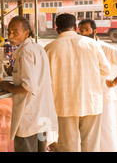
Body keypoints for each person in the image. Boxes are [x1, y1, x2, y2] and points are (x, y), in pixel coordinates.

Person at [44, 13, 110, 152]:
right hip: (91, 101)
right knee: (91, 145)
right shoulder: (92, 44)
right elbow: (106, 70)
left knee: (67, 146)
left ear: (57, 29)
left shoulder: (49, 49)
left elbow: (46, 80)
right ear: (75, 26)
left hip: (64, 104)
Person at [0, 16, 57, 152]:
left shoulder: (25, 52)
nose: (11, 36)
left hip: (29, 118)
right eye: (9, 32)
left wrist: (8, 87)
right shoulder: (37, 48)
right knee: (40, 149)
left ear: (26, 33)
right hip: (41, 116)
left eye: (15, 32)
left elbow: (28, 87)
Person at [78, 18, 117, 152]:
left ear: (95, 31)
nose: (84, 33)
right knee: (88, 135)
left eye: (87, 30)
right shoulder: (80, 48)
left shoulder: (107, 49)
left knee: (106, 133)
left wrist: (114, 81)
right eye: (81, 30)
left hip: (104, 98)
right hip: (86, 97)